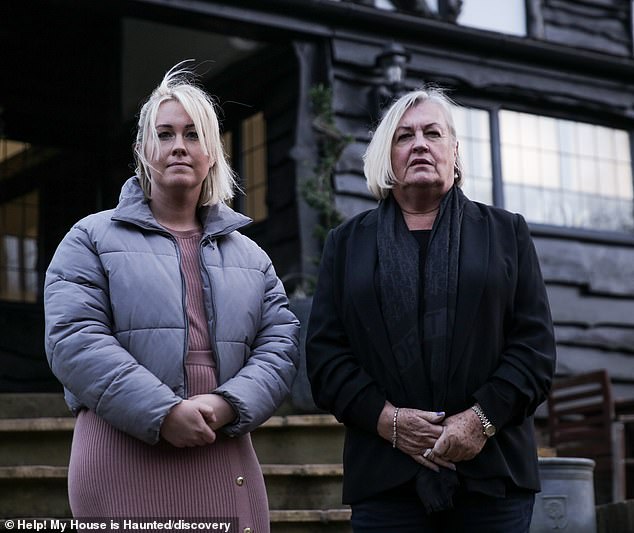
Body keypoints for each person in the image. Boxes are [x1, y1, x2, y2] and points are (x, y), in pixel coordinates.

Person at [44, 62, 299, 531]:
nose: (179, 146)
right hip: (121, 453)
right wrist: (163, 413)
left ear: (212, 153)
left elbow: (280, 346)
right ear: (143, 149)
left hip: (221, 444)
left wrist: (227, 405)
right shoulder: (89, 238)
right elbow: (73, 339)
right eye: (164, 134)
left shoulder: (253, 255)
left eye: (193, 135)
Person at [306, 87, 556, 532]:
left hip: (492, 476)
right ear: (388, 156)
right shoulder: (347, 245)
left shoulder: (505, 233)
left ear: (454, 150)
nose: (419, 143)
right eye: (404, 136)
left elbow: (534, 349)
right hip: (385, 480)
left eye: (432, 133)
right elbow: (326, 357)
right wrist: (386, 420)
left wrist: (481, 421)